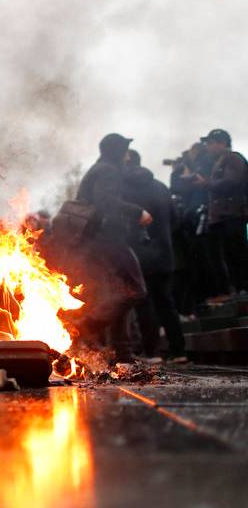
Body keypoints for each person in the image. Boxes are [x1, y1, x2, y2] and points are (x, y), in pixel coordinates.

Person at [74, 133, 152, 362]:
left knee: (120, 292)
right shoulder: (107, 171)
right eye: (125, 151)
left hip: (99, 240)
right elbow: (105, 201)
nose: (127, 157)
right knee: (135, 289)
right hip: (108, 239)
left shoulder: (100, 169)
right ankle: (85, 325)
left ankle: (123, 353)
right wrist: (138, 212)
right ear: (117, 151)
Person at [124, 150, 186, 361]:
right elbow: (175, 219)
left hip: (138, 255)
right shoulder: (160, 186)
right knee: (166, 302)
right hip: (165, 253)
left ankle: (152, 352)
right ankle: (179, 351)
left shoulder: (124, 189)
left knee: (144, 303)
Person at [193, 129, 248, 296]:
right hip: (224, 217)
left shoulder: (233, 159)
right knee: (229, 256)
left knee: (237, 254)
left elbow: (231, 182)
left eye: (211, 143)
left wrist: (207, 184)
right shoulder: (220, 161)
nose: (208, 147)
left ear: (222, 143)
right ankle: (238, 290)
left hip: (232, 215)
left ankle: (243, 288)